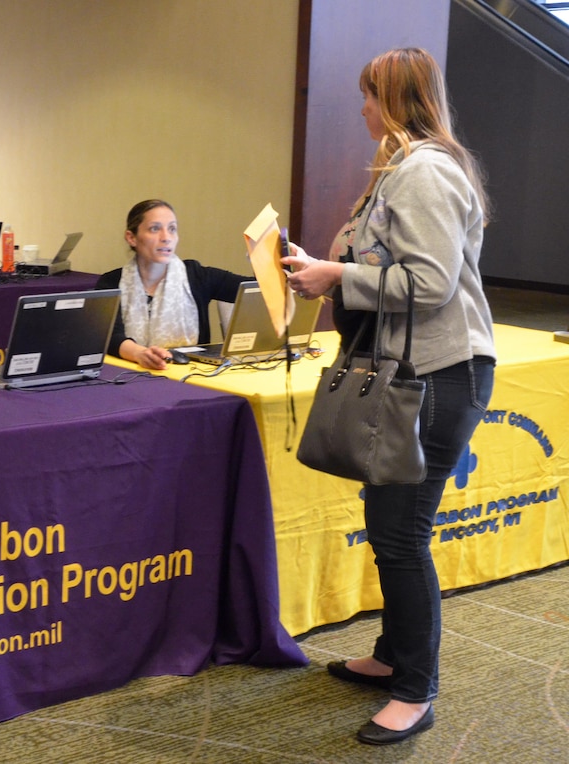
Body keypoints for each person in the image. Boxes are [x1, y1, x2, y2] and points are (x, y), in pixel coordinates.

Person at [283, 48, 496, 745]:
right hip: (418, 373)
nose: (364, 109)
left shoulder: (425, 171)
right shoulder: (400, 170)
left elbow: (428, 285)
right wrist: (321, 270)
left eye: (371, 97)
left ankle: (416, 689)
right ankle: (394, 655)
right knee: (389, 524)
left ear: (398, 100)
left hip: (439, 375)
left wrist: (335, 273)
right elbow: (382, 263)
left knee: (401, 534)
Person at [95, 199, 251, 370]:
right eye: (155, 229)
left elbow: (254, 290)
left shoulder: (197, 276)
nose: (166, 238)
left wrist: (279, 270)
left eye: (172, 229)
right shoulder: (110, 283)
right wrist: (140, 354)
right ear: (131, 237)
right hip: (132, 376)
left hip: (193, 378)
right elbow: (110, 335)